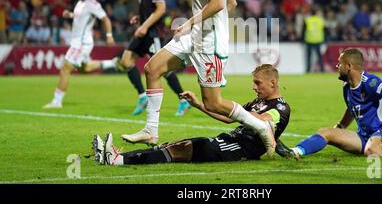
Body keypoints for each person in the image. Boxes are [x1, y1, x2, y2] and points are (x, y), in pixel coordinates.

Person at [121, 0, 277, 157]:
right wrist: (210, 24)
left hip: (208, 45)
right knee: (152, 68)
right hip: (197, 37)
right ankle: (151, 130)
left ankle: (261, 126)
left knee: (214, 103)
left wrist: (192, 23)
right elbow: (230, 1)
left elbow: (218, 3)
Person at [92, 64, 290, 165]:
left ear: (273, 83)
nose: (253, 87)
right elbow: (230, 117)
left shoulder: (280, 108)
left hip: (241, 150)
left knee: (184, 148)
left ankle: (116, 161)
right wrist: (199, 105)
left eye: (258, 83)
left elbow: (265, 122)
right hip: (229, 140)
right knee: (174, 145)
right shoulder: (258, 102)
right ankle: (115, 157)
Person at [275, 48, 382, 159]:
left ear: (348, 66)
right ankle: (294, 152)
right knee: (326, 132)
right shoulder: (347, 87)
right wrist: (341, 126)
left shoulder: (370, 82)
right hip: (364, 136)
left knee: (372, 151)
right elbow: (352, 108)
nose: (337, 66)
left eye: (339, 63)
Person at [103, 0, 190, 116]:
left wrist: (145, 25)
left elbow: (161, 9)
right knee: (126, 60)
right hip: (144, 30)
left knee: (161, 68)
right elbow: (150, 8)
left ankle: (183, 100)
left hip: (152, 33)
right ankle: (143, 96)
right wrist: (140, 17)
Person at [43, 0, 116, 109]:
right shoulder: (80, 3)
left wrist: (109, 35)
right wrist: (70, 15)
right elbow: (81, 17)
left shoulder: (93, 4)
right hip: (78, 42)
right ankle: (112, 63)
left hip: (81, 43)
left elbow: (105, 19)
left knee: (65, 68)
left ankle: (56, 101)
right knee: (85, 68)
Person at [303, 6, 325, 72]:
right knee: (319, 57)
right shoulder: (320, 20)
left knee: (308, 57)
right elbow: (324, 29)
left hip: (309, 40)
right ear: (316, 13)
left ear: (310, 13)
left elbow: (303, 30)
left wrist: (302, 38)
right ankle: (322, 70)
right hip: (318, 40)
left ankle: (308, 70)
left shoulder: (307, 20)